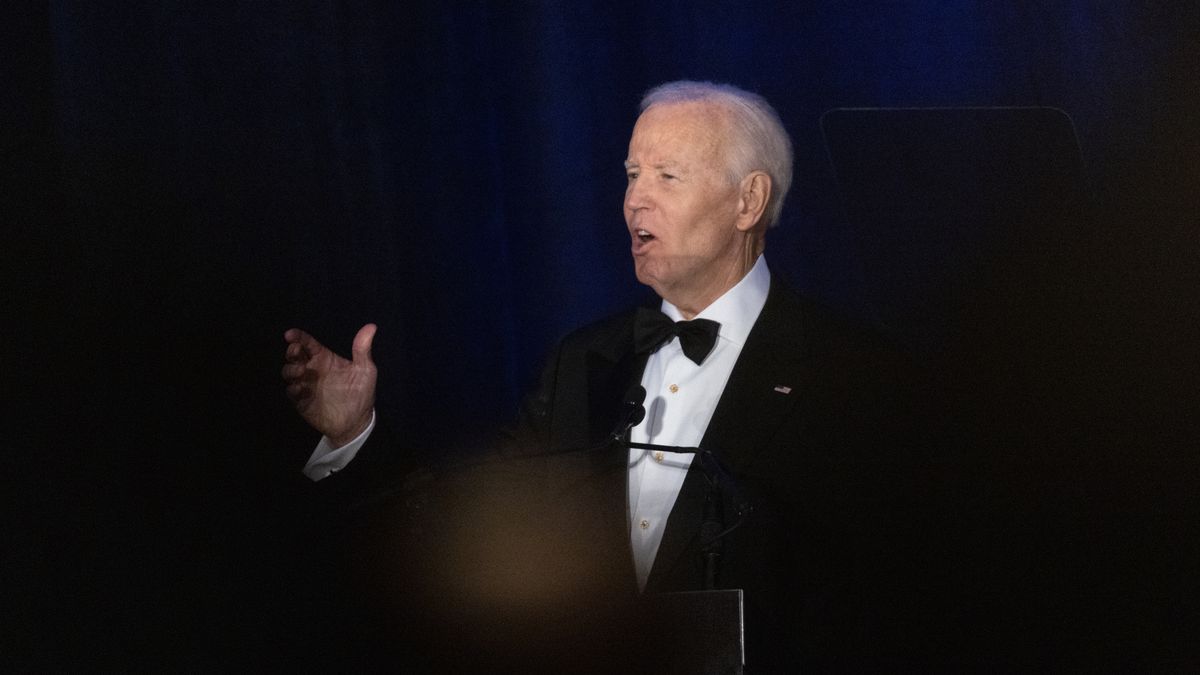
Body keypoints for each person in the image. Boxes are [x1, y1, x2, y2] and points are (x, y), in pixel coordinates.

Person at [282, 81, 931, 671]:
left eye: (667, 176)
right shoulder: (584, 361)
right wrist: (354, 435)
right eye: (632, 175)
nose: (635, 200)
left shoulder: (853, 373)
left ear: (748, 200)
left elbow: (895, 602)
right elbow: (471, 525)